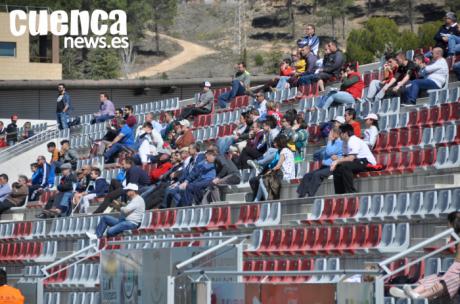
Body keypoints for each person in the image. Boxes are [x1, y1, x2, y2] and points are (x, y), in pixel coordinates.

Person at [390, 211, 460, 300]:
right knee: (434, 278)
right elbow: (453, 251)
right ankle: (412, 293)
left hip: (457, 268)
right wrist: (438, 250)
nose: (448, 226)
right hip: (456, 267)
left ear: (453, 223)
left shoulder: (456, 235)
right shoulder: (455, 236)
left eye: (449, 223)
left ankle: (419, 296)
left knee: (444, 282)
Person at [331, 124, 376, 194]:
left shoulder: (353, 140)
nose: (339, 135)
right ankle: (339, 193)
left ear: (345, 133)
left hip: (366, 162)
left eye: (340, 133)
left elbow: (351, 158)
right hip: (357, 161)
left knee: (345, 167)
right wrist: (336, 161)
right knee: (337, 169)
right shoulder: (344, 142)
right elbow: (345, 157)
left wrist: (337, 161)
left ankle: (351, 192)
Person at [297, 127, 343, 197]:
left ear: (336, 134)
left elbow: (329, 152)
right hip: (324, 167)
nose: (329, 134)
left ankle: (310, 195)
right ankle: (301, 195)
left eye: (331, 133)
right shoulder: (332, 143)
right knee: (307, 176)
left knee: (317, 175)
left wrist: (329, 141)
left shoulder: (339, 143)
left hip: (332, 167)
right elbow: (326, 153)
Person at [251, 135, 295, 201]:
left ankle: (268, 200)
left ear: (280, 142)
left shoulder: (283, 151)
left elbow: (278, 166)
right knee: (262, 179)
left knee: (262, 179)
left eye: (275, 142)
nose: (274, 144)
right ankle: (256, 201)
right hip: (289, 174)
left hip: (285, 175)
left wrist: (270, 171)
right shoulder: (289, 150)